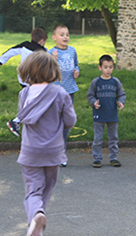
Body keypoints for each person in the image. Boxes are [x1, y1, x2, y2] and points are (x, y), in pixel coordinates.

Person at [14, 51, 77, 236]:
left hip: (30, 151)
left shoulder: (24, 93)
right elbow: (70, 120)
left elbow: (23, 116)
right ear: (53, 71)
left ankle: (36, 216)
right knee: (46, 189)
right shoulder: (60, 93)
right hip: (53, 151)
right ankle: (37, 220)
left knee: (33, 190)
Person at [0, 28, 47, 136]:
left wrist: (0, 62)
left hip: (22, 78)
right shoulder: (42, 51)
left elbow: (11, 51)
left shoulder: (25, 45)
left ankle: (31, 124)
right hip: (33, 80)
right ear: (41, 41)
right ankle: (16, 121)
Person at [85, 54, 126, 168]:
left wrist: (121, 102)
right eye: (105, 67)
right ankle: (97, 158)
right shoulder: (95, 82)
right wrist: (94, 103)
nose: (108, 70)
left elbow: (121, 94)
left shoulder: (115, 82)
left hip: (112, 114)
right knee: (98, 138)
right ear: (100, 68)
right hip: (99, 114)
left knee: (113, 138)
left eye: (111, 67)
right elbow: (90, 95)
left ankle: (113, 158)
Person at [48, 24, 79, 167]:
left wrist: (76, 71)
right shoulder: (50, 53)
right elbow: (48, 74)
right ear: (54, 37)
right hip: (55, 92)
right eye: (62, 34)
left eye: (67, 34)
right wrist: (53, 60)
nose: (65, 37)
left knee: (66, 123)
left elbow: (76, 65)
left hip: (69, 91)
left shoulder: (72, 51)